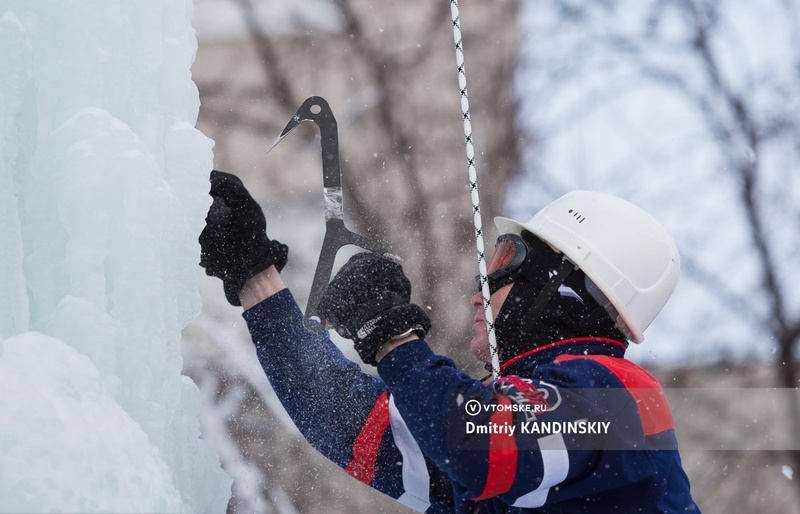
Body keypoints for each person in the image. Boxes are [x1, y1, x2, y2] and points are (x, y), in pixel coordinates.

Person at [199, 170, 701, 513]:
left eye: (502, 266)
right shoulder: (531, 438)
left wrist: (393, 339)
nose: (477, 295)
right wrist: (256, 279)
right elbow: (346, 423)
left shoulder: (624, 400)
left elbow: (483, 447)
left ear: (562, 293)